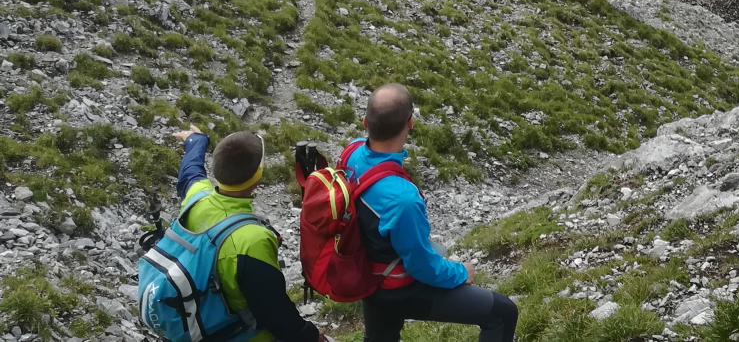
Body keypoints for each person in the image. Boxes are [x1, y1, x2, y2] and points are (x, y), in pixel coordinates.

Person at [347, 83, 518, 342]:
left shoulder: (352, 153)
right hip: (396, 289)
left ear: (364, 122)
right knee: (503, 312)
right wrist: (461, 271)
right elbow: (421, 266)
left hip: (366, 276)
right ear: (410, 123)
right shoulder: (403, 199)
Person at [171, 124, 327, 342]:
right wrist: (310, 336)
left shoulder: (197, 197)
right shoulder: (252, 240)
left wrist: (195, 142)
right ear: (258, 176)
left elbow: (191, 172)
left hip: (196, 318)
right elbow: (274, 312)